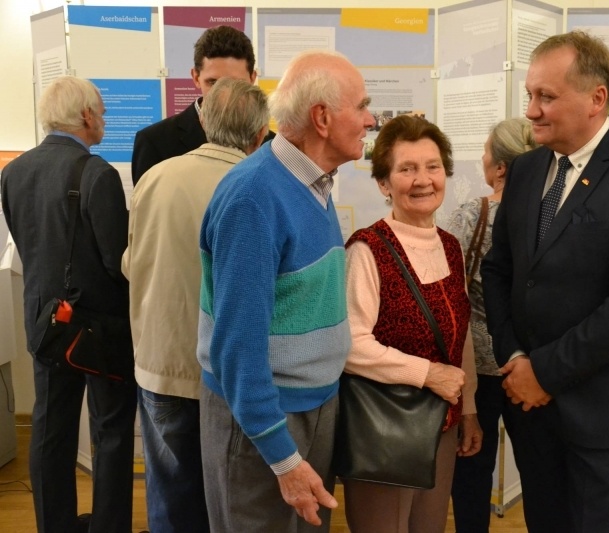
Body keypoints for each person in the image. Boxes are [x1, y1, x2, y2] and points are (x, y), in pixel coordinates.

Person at [480, 31, 609, 533]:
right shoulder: (528, 170)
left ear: (597, 98)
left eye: (545, 96)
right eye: (530, 95)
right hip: (530, 408)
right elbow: (499, 270)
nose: (531, 111)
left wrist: (543, 373)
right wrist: (514, 360)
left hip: (602, 412)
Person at [196, 50, 374, 532]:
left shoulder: (312, 182)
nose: (370, 119)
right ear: (322, 118)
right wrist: (283, 457)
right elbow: (237, 349)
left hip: (312, 409)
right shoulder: (254, 197)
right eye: (361, 106)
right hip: (264, 422)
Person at [122, 78, 269, 533]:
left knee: (168, 496)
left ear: (204, 121)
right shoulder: (259, 186)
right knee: (228, 502)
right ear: (260, 134)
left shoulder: (155, 177)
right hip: (225, 374)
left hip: (159, 362)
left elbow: (130, 263)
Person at [1, 76, 137, 532]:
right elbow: (118, 260)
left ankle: (54, 526)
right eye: (101, 111)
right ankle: (108, 526)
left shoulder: (12, 172)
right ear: (85, 116)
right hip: (99, 325)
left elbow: (26, 243)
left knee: (49, 429)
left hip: (44, 320)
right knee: (112, 428)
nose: (105, 119)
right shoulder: (97, 173)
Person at [342, 114, 482, 533]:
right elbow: (349, 343)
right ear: (384, 183)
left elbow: (462, 335)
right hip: (384, 428)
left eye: (432, 166)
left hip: (441, 424)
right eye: (407, 169)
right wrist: (429, 375)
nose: (423, 179)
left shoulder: (450, 246)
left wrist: (468, 409)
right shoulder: (367, 250)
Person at [446, 117, 535, 533]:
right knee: (540, 473)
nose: (482, 158)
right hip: (530, 366)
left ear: (499, 167)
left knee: (472, 471)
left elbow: (448, 293)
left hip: (477, 368)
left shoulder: (470, 215)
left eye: (485, 151)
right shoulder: (547, 217)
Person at [131, 25, 271, 185]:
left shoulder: (272, 144)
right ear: (195, 77)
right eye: (213, 82)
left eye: (234, 83)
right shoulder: (155, 141)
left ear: (252, 79)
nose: (223, 93)